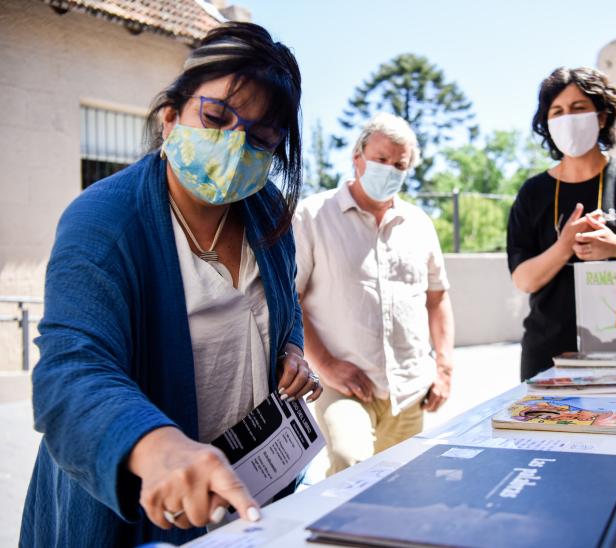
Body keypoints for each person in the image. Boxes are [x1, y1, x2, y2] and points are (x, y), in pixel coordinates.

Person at [20, 22, 322, 547]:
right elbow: (71, 370)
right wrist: (158, 446)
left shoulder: (268, 211)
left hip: (248, 502)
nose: (233, 146)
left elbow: (283, 301)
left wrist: (291, 347)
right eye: (215, 118)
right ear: (170, 116)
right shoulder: (104, 221)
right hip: (135, 518)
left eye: (260, 139)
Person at [293, 113, 455, 476]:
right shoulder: (313, 216)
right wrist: (326, 364)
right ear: (357, 156)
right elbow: (292, 298)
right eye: (381, 159)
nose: (390, 170)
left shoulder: (419, 224)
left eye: (399, 164)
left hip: (410, 391)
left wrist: (443, 369)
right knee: (350, 465)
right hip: (345, 385)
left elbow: (437, 298)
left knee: (401, 486)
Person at [507, 67, 616, 381]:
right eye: (556, 111)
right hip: (548, 354)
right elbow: (524, 280)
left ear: (601, 117)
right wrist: (564, 245)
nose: (567, 118)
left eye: (578, 108)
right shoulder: (533, 192)